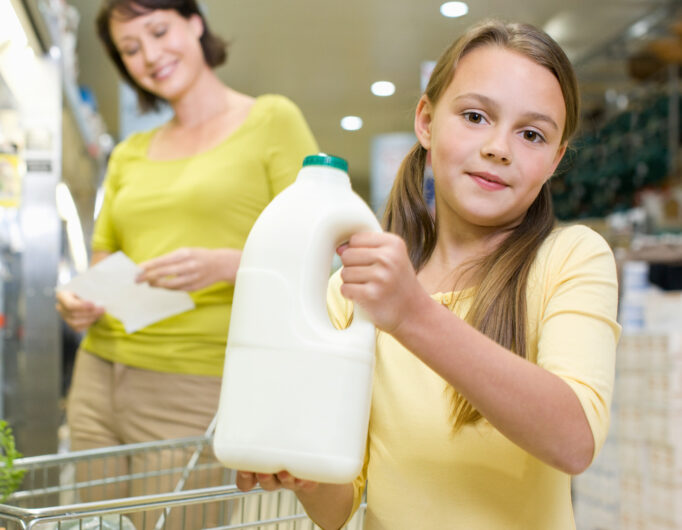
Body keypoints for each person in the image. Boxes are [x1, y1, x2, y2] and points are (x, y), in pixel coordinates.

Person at [236, 19, 621, 530]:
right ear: (426, 121)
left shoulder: (572, 258)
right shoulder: (352, 290)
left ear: (554, 160)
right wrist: (298, 466)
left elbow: (574, 440)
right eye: (475, 116)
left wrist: (412, 312)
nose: (499, 147)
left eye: (531, 134)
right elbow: (338, 507)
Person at [55, 0, 318, 504]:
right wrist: (79, 298)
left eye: (158, 31)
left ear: (195, 23)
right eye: (130, 48)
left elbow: (318, 249)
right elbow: (105, 258)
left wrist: (225, 264)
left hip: (197, 378)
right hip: (98, 371)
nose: (149, 55)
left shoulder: (271, 119)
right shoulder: (129, 152)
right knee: (93, 520)